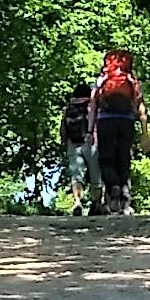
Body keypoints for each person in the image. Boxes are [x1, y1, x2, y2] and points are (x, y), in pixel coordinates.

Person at [88, 48, 150, 214]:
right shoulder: (131, 79)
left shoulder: (102, 80)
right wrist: (145, 133)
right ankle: (124, 196)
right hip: (126, 121)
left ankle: (114, 188)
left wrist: (89, 131)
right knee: (123, 158)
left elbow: (92, 106)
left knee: (106, 159)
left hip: (106, 121)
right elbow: (140, 106)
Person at [60, 82, 103, 216]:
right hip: (91, 144)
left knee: (76, 176)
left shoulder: (68, 108)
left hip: (73, 144)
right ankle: (96, 203)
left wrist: (65, 142)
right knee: (96, 175)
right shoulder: (92, 105)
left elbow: (63, 128)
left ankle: (77, 202)